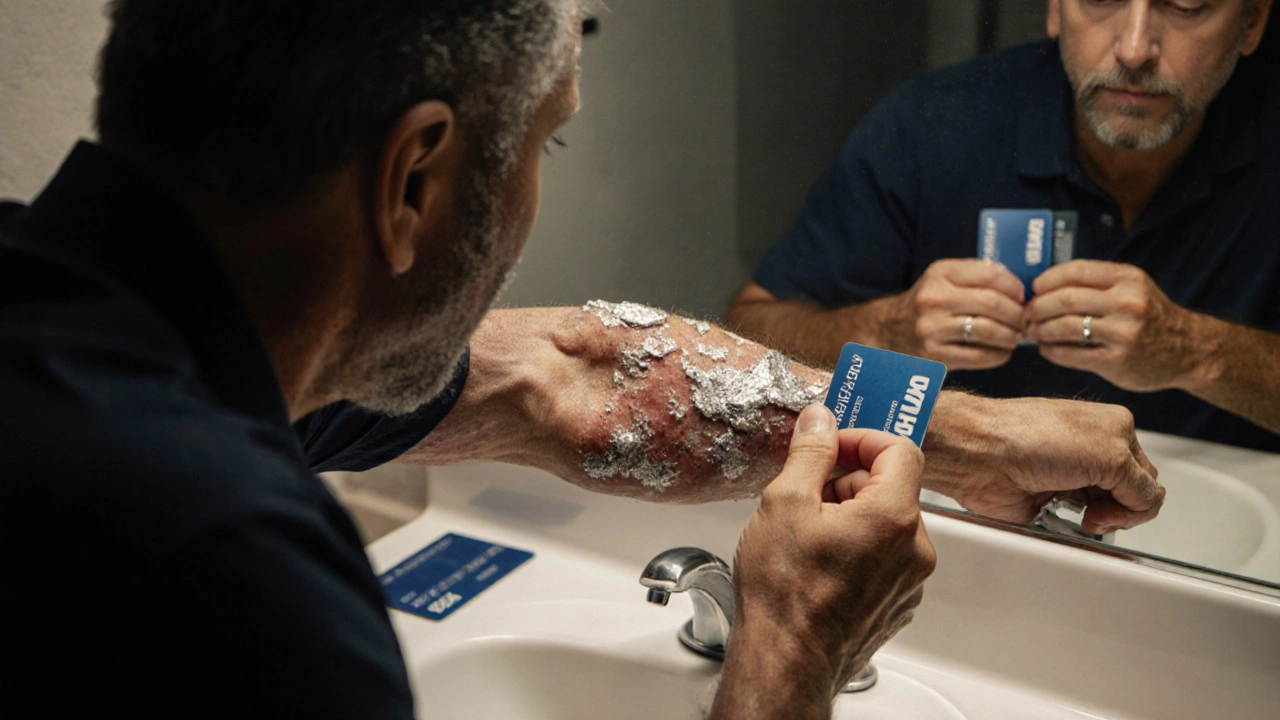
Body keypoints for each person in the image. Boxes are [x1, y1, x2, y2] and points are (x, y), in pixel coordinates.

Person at [0, 2, 1159, 718]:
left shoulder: (112, 323)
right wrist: (793, 643)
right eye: (547, 139)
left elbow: (581, 377)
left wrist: (969, 436)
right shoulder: (228, 578)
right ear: (414, 180)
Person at [727, 0, 1280, 454]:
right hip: (968, 507)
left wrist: (1197, 351)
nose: (1134, 48)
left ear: (1252, 22)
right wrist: (888, 331)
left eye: (1185, 6)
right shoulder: (935, 126)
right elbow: (747, 335)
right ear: (1055, 8)